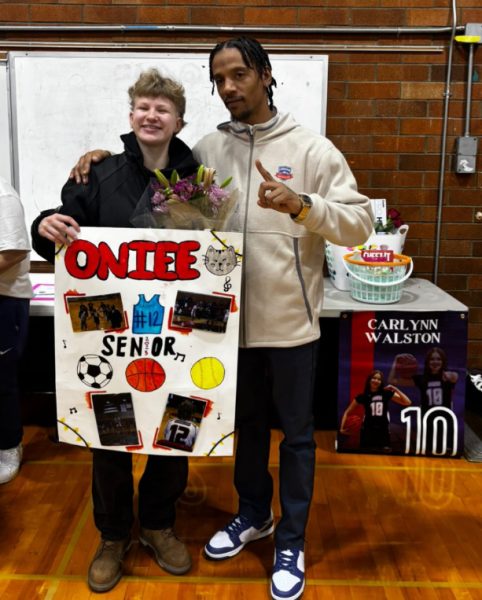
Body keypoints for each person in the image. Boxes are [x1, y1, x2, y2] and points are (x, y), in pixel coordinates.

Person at [69, 37, 373, 600]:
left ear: (264, 74)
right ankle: (254, 513)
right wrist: (98, 157)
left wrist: (304, 206)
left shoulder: (312, 148)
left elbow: (359, 226)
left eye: (239, 75)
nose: (229, 87)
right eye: (219, 79)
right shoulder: (207, 150)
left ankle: (292, 539)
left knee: (298, 438)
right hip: (220, 327)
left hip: (291, 326)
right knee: (248, 431)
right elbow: (153, 177)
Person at [31, 68, 200, 593]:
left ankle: (158, 523)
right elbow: (60, 228)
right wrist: (44, 224)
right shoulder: (96, 175)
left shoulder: (198, 181)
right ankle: (112, 535)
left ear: (177, 121)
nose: (151, 115)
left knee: (178, 428)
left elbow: (214, 251)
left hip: (180, 328)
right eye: (143, 107)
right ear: (131, 116)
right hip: (105, 328)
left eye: (162, 109)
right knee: (110, 434)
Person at [0, 176, 33, 485]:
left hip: (5, 300)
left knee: (1, 380)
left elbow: (13, 252)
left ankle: (10, 445)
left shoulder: (3, 196)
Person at [339, 370, 411, 452]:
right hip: (367, 431)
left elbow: (407, 402)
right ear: (369, 380)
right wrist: (342, 428)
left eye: (379, 379)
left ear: (381, 382)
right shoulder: (363, 396)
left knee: (384, 460)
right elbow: (347, 412)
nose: (376, 381)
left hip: (383, 432)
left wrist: (395, 389)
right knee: (366, 459)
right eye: (374, 378)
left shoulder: (386, 393)